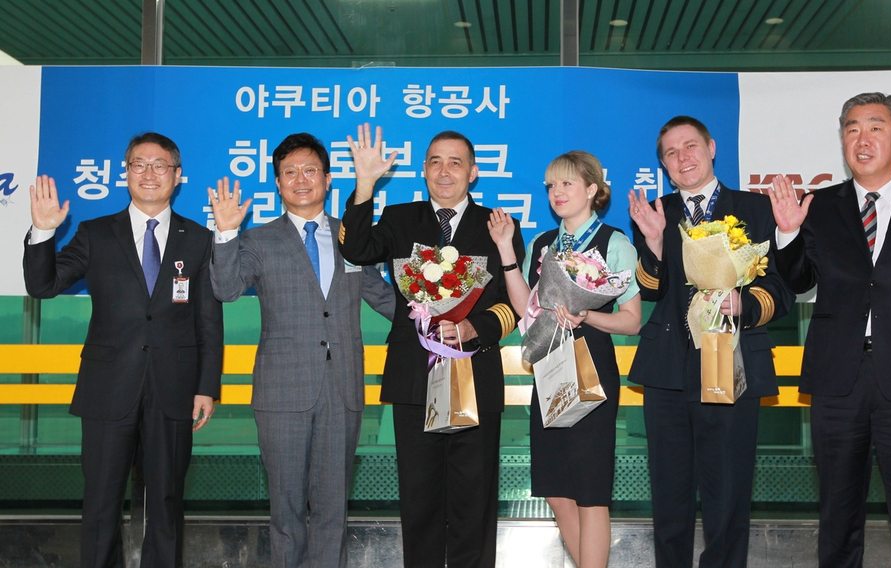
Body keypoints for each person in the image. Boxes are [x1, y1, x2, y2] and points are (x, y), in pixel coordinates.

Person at [23, 132, 223, 568]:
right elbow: (42, 285)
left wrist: (206, 386)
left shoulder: (199, 240)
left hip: (173, 390)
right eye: (138, 164)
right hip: (108, 388)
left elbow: (208, 320)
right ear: (125, 173)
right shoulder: (96, 234)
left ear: (178, 175)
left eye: (159, 165)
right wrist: (42, 232)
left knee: (166, 503)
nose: (149, 173)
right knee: (100, 503)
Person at [769, 92, 891, 568]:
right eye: (851, 128)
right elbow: (800, 280)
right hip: (837, 377)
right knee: (838, 513)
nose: (862, 139)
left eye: (875, 127)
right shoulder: (819, 206)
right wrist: (787, 235)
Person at [339, 123, 523, 568]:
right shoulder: (401, 218)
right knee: (419, 498)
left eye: (456, 162)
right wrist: (365, 184)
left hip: (474, 377)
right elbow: (357, 248)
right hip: (413, 379)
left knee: (473, 498)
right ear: (423, 170)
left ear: (473, 172)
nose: (445, 172)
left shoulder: (496, 225)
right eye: (435, 162)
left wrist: (474, 328)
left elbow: (515, 305)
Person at [207, 132, 395, 567]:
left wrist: (436, 321)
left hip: (342, 388)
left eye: (310, 171)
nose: (301, 180)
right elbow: (226, 288)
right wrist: (226, 232)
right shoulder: (258, 240)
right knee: (286, 510)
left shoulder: (353, 238)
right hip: (281, 392)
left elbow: (381, 295)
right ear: (277, 184)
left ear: (328, 180)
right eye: (289, 173)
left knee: (333, 509)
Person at [628, 116, 794, 568]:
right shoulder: (659, 211)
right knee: (669, 496)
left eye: (690, 146)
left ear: (712, 147)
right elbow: (648, 288)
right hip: (667, 373)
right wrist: (656, 242)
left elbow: (780, 289)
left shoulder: (755, 209)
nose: (683, 158)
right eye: (670, 153)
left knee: (728, 494)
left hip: (732, 367)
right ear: (663, 164)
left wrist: (744, 304)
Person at [488, 150, 641, 567]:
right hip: (550, 368)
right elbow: (526, 308)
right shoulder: (541, 244)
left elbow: (631, 321)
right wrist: (505, 250)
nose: (557, 192)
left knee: (591, 491)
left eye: (567, 183)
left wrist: (587, 314)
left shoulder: (614, 243)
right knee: (557, 489)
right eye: (551, 185)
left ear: (592, 189)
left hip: (592, 364)